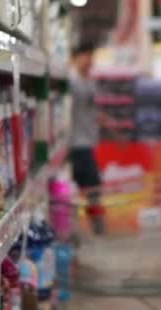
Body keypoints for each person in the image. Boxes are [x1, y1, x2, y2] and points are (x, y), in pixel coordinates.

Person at [69, 42, 105, 234]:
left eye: (92, 56)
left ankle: (96, 227)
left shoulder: (88, 81)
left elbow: (92, 110)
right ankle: (95, 228)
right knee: (91, 188)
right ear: (77, 57)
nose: (90, 60)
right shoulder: (71, 81)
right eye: (87, 56)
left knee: (92, 189)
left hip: (87, 141)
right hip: (75, 144)